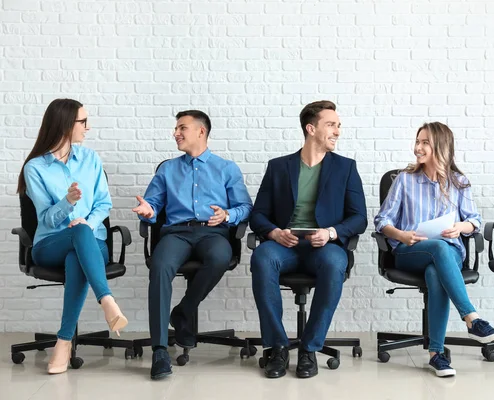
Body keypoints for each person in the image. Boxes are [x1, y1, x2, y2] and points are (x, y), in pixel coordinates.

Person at [374, 122, 494, 378]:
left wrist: (460, 227)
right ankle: (472, 319)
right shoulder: (405, 180)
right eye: (417, 141)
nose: (417, 148)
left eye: (424, 143)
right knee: (438, 251)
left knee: (436, 270)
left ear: (440, 148)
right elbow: (382, 221)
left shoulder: (459, 182)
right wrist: (401, 234)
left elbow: (474, 220)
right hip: (410, 252)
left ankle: (436, 354)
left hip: (449, 253)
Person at [250, 100, 367, 379]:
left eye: (339, 125)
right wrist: (274, 232)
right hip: (285, 244)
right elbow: (258, 215)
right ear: (311, 128)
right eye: (331, 124)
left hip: (324, 245)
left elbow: (359, 217)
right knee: (262, 257)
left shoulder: (345, 168)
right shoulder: (278, 167)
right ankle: (277, 347)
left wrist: (331, 232)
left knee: (333, 264)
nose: (337, 131)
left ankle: (309, 348)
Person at [132, 110, 253, 380]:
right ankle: (160, 350)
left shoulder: (226, 168)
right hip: (176, 233)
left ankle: (183, 311)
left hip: (213, 233)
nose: (176, 133)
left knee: (221, 257)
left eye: (182, 128)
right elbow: (153, 203)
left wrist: (228, 215)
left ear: (201, 131)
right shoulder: (168, 169)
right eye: (176, 128)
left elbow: (246, 207)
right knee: (161, 267)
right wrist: (148, 211)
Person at [17, 98, 128, 374]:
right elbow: (46, 219)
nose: (87, 128)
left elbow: (104, 204)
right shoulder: (35, 168)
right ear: (66, 124)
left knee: (77, 251)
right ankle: (107, 301)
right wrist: (67, 202)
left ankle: (63, 341)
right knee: (76, 237)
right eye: (83, 122)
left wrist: (86, 224)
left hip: (91, 242)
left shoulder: (90, 159)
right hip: (49, 244)